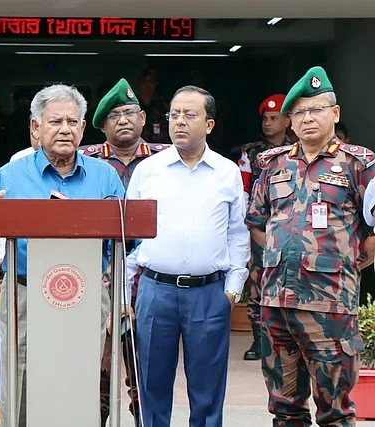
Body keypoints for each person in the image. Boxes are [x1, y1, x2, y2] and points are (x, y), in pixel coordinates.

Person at [0, 84, 125, 427]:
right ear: (36, 127)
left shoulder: (105, 177)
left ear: (82, 129)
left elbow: (127, 239)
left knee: (79, 377)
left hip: (87, 292)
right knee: (20, 379)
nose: (64, 129)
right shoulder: (13, 174)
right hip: (24, 293)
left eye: (72, 122)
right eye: (55, 121)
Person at [247, 66, 375, 427]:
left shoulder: (358, 165)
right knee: (285, 410)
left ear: (335, 114)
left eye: (316, 109)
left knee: (335, 412)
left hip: (329, 306)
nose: (307, 118)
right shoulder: (274, 166)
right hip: (276, 304)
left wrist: (349, 263)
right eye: (299, 112)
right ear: (290, 120)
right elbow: (257, 223)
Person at [126, 85, 250, 427]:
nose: (180, 121)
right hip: (155, 291)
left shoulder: (227, 172)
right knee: (151, 385)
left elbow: (237, 234)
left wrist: (232, 289)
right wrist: (125, 292)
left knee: (208, 388)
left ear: (209, 124)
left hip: (209, 293)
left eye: (190, 114)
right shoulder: (147, 171)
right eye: (174, 114)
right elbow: (130, 239)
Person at [80, 77, 170, 427]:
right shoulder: (85, 162)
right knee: (95, 370)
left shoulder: (167, 159)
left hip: (149, 278)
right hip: (97, 280)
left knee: (145, 372)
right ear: (102, 124)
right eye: (114, 115)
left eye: (130, 112)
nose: (124, 120)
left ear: (144, 118)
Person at [0, 121, 40, 427]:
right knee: (10, 348)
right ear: (33, 128)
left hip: (65, 275)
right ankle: (3, 405)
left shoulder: (89, 168)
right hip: (17, 271)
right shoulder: (15, 165)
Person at [236, 94, 292, 361]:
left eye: (274, 118)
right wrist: (245, 232)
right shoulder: (251, 152)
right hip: (261, 229)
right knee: (258, 285)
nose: (268, 123)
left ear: (287, 120)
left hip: (293, 229)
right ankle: (260, 341)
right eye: (265, 119)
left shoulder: (300, 147)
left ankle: (288, 340)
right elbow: (243, 192)